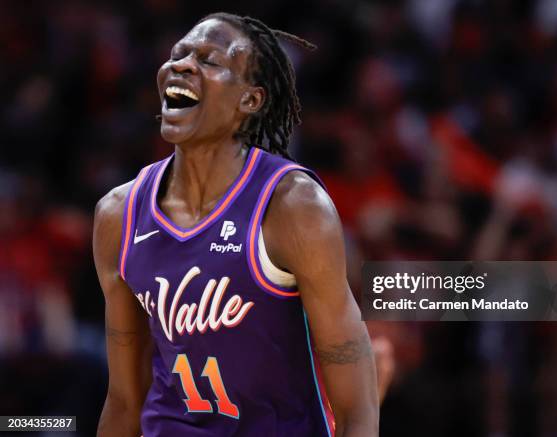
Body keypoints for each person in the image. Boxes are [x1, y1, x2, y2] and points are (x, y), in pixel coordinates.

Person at [93, 12, 378, 437]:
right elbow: (123, 400)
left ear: (251, 101)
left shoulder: (293, 207)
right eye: (178, 55)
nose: (183, 65)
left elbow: (357, 409)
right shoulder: (118, 215)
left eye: (209, 60)